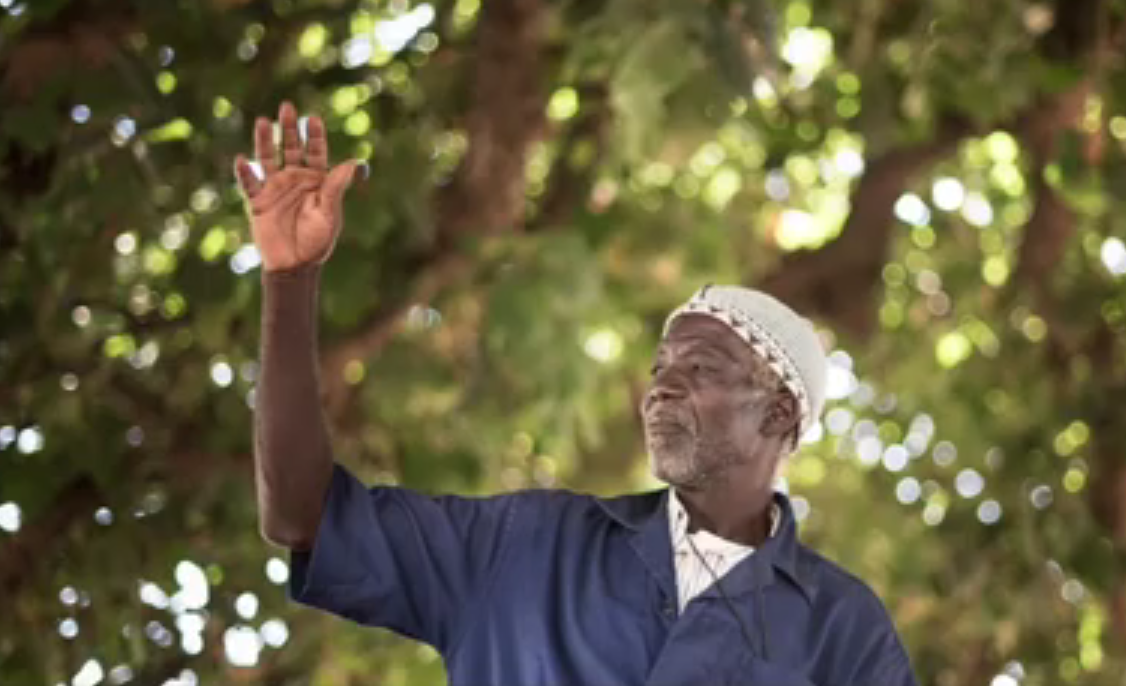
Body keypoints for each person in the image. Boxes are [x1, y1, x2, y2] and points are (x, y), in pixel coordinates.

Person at [238, 102, 918, 686]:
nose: (661, 390)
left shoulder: (844, 632)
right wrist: (289, 281)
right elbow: (303, 517)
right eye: (658, 370)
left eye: (702, 368)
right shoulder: (526, 545)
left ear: (778, 412)